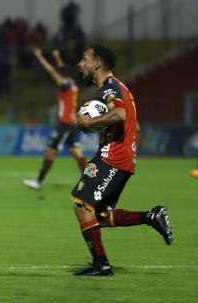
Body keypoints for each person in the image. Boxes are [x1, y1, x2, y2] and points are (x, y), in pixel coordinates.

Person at [72, 43, 173, 276]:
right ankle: (152, 216)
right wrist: (103, 128)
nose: (80, 64)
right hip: (122, 157)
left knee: (81, 205)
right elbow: (133, 124)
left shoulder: (109, 87)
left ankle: (102, 264)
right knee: (102, 217)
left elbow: (120, 115)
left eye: (84, 59)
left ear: (96, 63)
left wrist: (89, 123)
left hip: (113, 158)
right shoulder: (120, 87)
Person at [22, 48, 87, 190]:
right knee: (77, 152)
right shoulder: (72, 84)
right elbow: (61, 69)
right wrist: (57, 57)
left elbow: (52, 71)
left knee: (51, 151)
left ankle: (38, 181)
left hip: (65, 124)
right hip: (73, 123)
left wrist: (40, 57)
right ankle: (89, 181)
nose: (56, 76)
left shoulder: (64, 84)